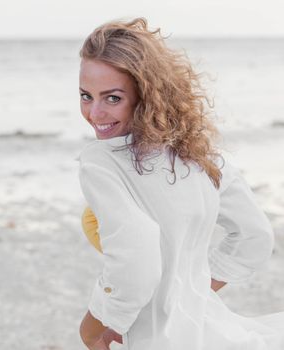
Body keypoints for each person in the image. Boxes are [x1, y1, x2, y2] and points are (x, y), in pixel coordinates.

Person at [76, 17, 284, 350]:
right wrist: (190, 292)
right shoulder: (201, 155)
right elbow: (254, 237)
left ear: (145, 94)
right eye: (86, 96)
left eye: (112, 98)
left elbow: (137, 260)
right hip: (214, 330)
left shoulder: (101, 162)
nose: (94, 113)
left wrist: (97, 325)